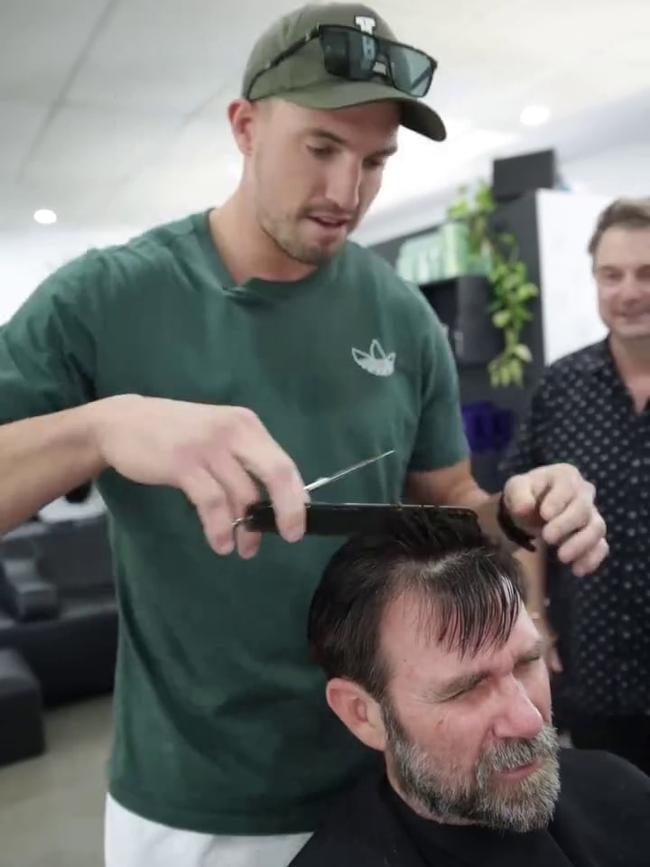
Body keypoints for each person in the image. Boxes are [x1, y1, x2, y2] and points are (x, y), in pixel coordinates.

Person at [0, 4, 607, 866]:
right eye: (321, 148)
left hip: (395, 780)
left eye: (375, 162)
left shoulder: (400, 315)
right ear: (245, 125)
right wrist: (105, 426)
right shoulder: (104, 300)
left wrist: (515, 511)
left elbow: (449, 511)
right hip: (197, 802)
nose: (346, 193)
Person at [292, 510, 650, 867]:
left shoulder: (620, 796)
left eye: (527, 663)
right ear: (362, 714)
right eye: (466, 689)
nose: (528, 720)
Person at [503, 198, 650, 774]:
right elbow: (523, 517)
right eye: (611, 275)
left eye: (646, 273)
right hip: (592, 669)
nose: (629, 291)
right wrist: (534, 619)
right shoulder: (560, 387)